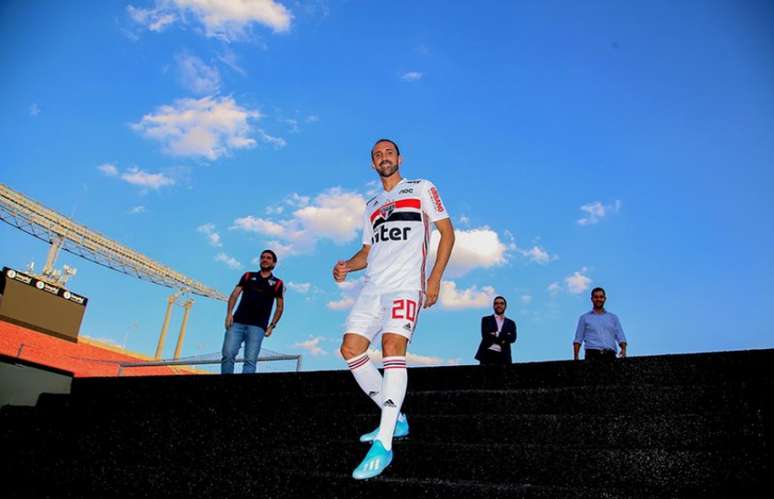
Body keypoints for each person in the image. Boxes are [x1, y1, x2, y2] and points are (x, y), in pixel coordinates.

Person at [332, 138, 455, 480]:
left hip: (405, 286)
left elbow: (447, 233)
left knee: (391, 347)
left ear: (399, 158)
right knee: (350, 349)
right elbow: (366, 252)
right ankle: (396, 418)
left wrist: (435, 278)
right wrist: (347, 266)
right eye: (377, 155)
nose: (383, 158)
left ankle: (383, 443)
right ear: (372, 164)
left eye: (388, 152)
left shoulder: (422, 188)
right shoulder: (371, 204)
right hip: (373, 287)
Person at [221, 249, 284, 374]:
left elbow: (280, 307)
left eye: (268, 258)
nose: (265, 259)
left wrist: (272, 326)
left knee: (250, 361)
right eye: (262, 257)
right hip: (237, 322)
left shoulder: (277, 283)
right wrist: (229, 314)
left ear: (274, 263)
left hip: (258, 327)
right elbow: (234, 295)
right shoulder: (248, 276)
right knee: (228, 354)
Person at [573, 287, 627, 361]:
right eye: (596, 297)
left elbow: (620, 336)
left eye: (601, 297)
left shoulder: (613, 318)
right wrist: (576, 357)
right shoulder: (584, 318)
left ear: (605, 298)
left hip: (610, 356)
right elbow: (578, 339)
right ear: (592, 299)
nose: (598, 299)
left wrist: (623, 349)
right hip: (592, 355)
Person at [474, 296, 517, 365]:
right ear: (493, 306)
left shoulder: (511, 323)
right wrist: (505, 337)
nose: (499, 305)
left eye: (501, 303)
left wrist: (496, 334)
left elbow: (513, 338)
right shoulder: (486, 320)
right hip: (487, 354)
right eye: (496, 303)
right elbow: (485, 336)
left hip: (504, 355)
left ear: (505, 306)